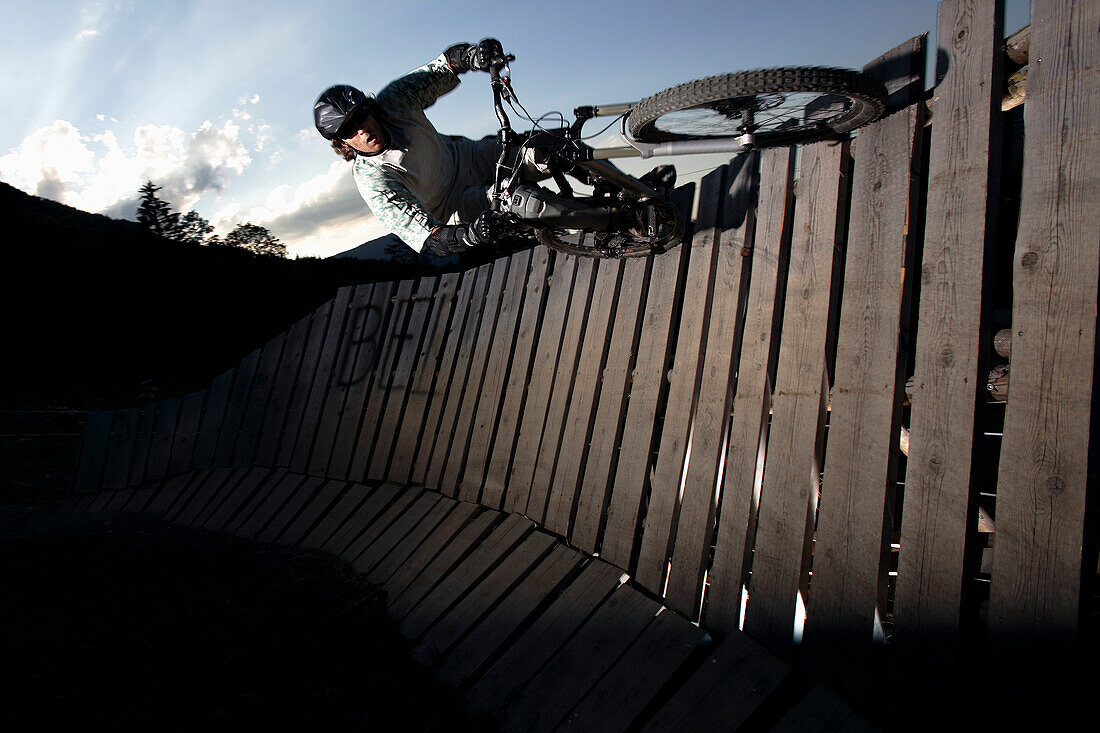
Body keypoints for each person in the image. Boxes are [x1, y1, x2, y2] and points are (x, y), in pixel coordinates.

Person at [314, 39, 519, 257]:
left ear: (370, 110)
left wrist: (473, 56)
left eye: (361, 117)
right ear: (342, 143)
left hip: (468, 157)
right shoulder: (371, 180)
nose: (361, 130)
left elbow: (440, 69)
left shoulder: (394, 102)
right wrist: (472, 234)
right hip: (454, 204)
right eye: (348, 130)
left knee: (541, 151)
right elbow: (430, 236)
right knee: (524, 201)